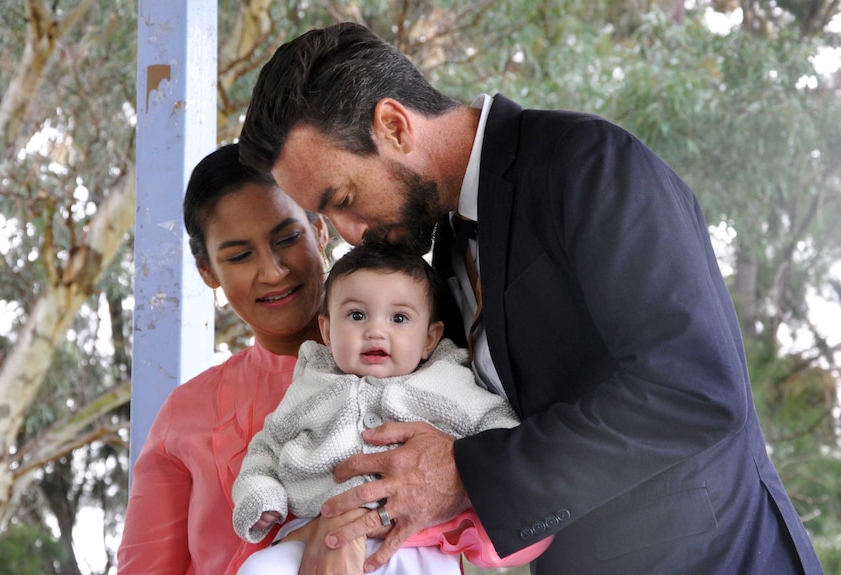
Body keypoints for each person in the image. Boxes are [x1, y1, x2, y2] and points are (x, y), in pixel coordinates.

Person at [236, 22, 825, 575]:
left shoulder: (589, 162)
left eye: (342, 196)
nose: (349, 233)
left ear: (394, 125)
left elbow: (696, 391)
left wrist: (466, 475)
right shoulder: (441, 255)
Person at [232, 243, 549, 574]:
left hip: (414, 541)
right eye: (357, 315)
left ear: (429, 338)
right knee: (258, 568)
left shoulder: (447, 383)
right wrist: (262, 495)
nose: (375, 331)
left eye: (399, 318)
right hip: (315, 531)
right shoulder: (311, 385)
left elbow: (500, 429)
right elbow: (266, 448)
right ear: (327, 330)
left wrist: (468, 466)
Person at [117, 143, 360, 574]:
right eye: (239, 255)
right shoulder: (185, 414)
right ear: (207, 270)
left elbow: (497, 531)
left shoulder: (417, 356)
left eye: (287, 238)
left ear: (320, 230)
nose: (272, 271)